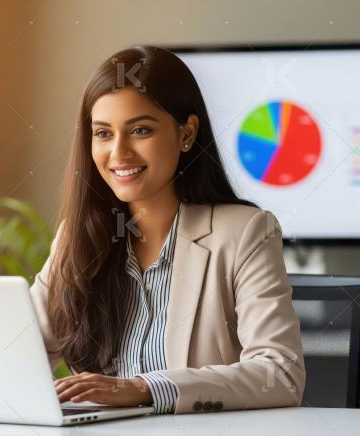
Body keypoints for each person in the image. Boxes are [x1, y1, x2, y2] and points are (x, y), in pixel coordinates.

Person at [29, 45, 305, 414]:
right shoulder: (76, 237)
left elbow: (279, 374)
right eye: (103, 133)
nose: (119, 153)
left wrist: (145, 388)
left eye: (140, 130)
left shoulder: (244, 233)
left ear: (187, 133)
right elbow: (16, 355)